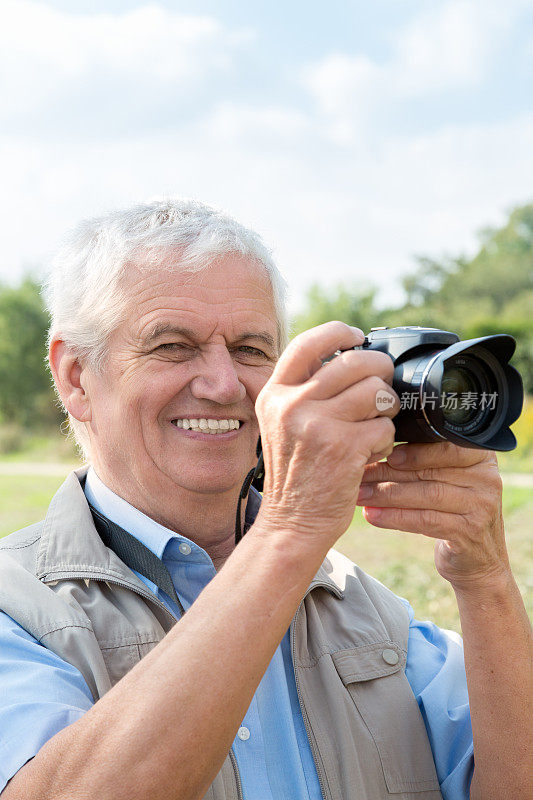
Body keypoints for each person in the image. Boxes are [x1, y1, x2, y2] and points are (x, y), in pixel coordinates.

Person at [0, 199, 530, 800]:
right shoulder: (15, 608)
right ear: (75, 376)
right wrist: (288, 532)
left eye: (252, 350)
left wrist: (484, 578)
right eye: (172, 346)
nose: (225, 386)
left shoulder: (366, 611)